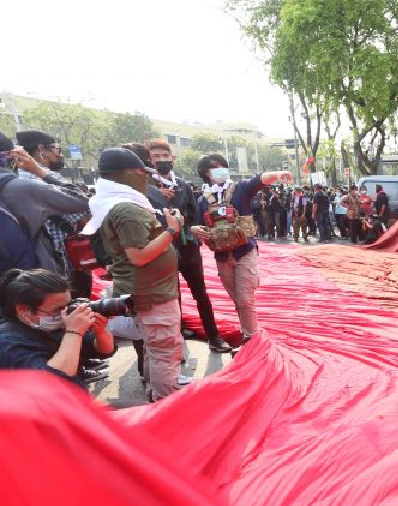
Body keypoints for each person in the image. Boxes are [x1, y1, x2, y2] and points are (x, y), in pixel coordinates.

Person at [90, 148, 183, 401]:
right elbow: (139, 256)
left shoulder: (121, 204)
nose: (147, 179)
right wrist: (172, 231)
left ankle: (157, 397)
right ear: (129, 174)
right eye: (143, 173)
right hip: (152, 293)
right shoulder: (127, 210)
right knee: (165, 351)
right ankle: (168, 405)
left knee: (156, 349)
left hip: (149, 290)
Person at [192, 153, 293, 344]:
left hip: (244, 251)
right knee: (238, 301)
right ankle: (248, 332)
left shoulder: (240, 189)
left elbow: (259, 180)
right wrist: (194, 229)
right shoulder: (203, 200)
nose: (220, 169)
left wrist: (278, 174)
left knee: (245, 299)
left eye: (223, 165)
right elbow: (199, 225)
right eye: (215, 166)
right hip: (222, 256)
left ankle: (251, 341)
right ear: (205, 172)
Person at [145, 139, 231, 353]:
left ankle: (214, 336)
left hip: (188, 248)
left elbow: (193, 215)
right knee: (172, 296)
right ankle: (178, 339)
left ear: (172, 158)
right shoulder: (146, 187)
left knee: (201, 293)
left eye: (166, 156)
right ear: (149, 160)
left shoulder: (182, 185)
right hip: (163, 249)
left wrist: (191, 227)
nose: (162, 160)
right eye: (157, 157)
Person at [0, 268, 114, 388]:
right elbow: (53, 381)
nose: (65, 313)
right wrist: (74, 332)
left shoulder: (53, 326)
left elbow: (102, 350)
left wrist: (101, 330)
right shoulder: (7, 343)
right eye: (57, 309)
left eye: (68, 305)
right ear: (23, 309)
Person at [0, 133, 90, 277]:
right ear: (12, 155)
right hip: (35, 275)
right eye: (56, 148)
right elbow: (82, 201)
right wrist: (39, 171)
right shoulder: (25, 186)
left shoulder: (20, 180)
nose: (58, 153)